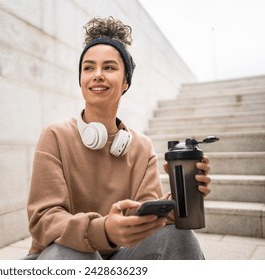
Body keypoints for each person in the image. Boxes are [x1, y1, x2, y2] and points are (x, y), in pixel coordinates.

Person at [25, 16, 211, 260]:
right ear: (80, 80)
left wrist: (179, 200)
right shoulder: (55, 135)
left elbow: (149, 221)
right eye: (89, 67)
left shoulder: (141, 146)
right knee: (75, 251)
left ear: (125, 82)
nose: (98, 75)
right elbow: (44, 220)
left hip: (118, 256)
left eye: (109, 67)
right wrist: (102, 231)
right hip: (59, 254)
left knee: (180, 235)